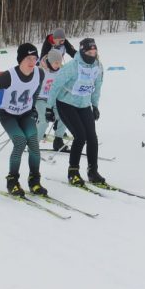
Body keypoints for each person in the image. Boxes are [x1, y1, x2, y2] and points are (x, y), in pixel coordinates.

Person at [0, 43, 47, 196]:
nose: (32, 62)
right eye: (28, 58)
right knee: (20, 140)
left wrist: (34, 107)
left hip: (25, 113)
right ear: (20, 60)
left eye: (34, 58)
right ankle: (12, 181)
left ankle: (34, 181)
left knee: (33, 141)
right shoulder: (7, 76)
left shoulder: (39, 74)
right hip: (7, 114)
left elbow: (35, 91)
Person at [46, 37, 104, 186]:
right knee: (80, 136)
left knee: (92, 137)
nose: (92, 55)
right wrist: (49, 108)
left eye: (94, 52)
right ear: (82, 52)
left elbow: (97, 87)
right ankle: (73, 172)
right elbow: (56, 86)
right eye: (89, 52)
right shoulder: (72, 66)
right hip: (66, 103)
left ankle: (93, 171)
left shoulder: (98, 67)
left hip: (84, 104)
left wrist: (95, 106)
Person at [36, 49, 69, 151]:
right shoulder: (39, 70)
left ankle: (58, 141)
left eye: (60, 63)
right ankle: (33, 144)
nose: (58, 65)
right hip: (39, 99)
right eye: (56, 63)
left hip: (53, 99)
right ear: (50, 61)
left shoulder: (61, 71)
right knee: (44, 121)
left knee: (64, 116)